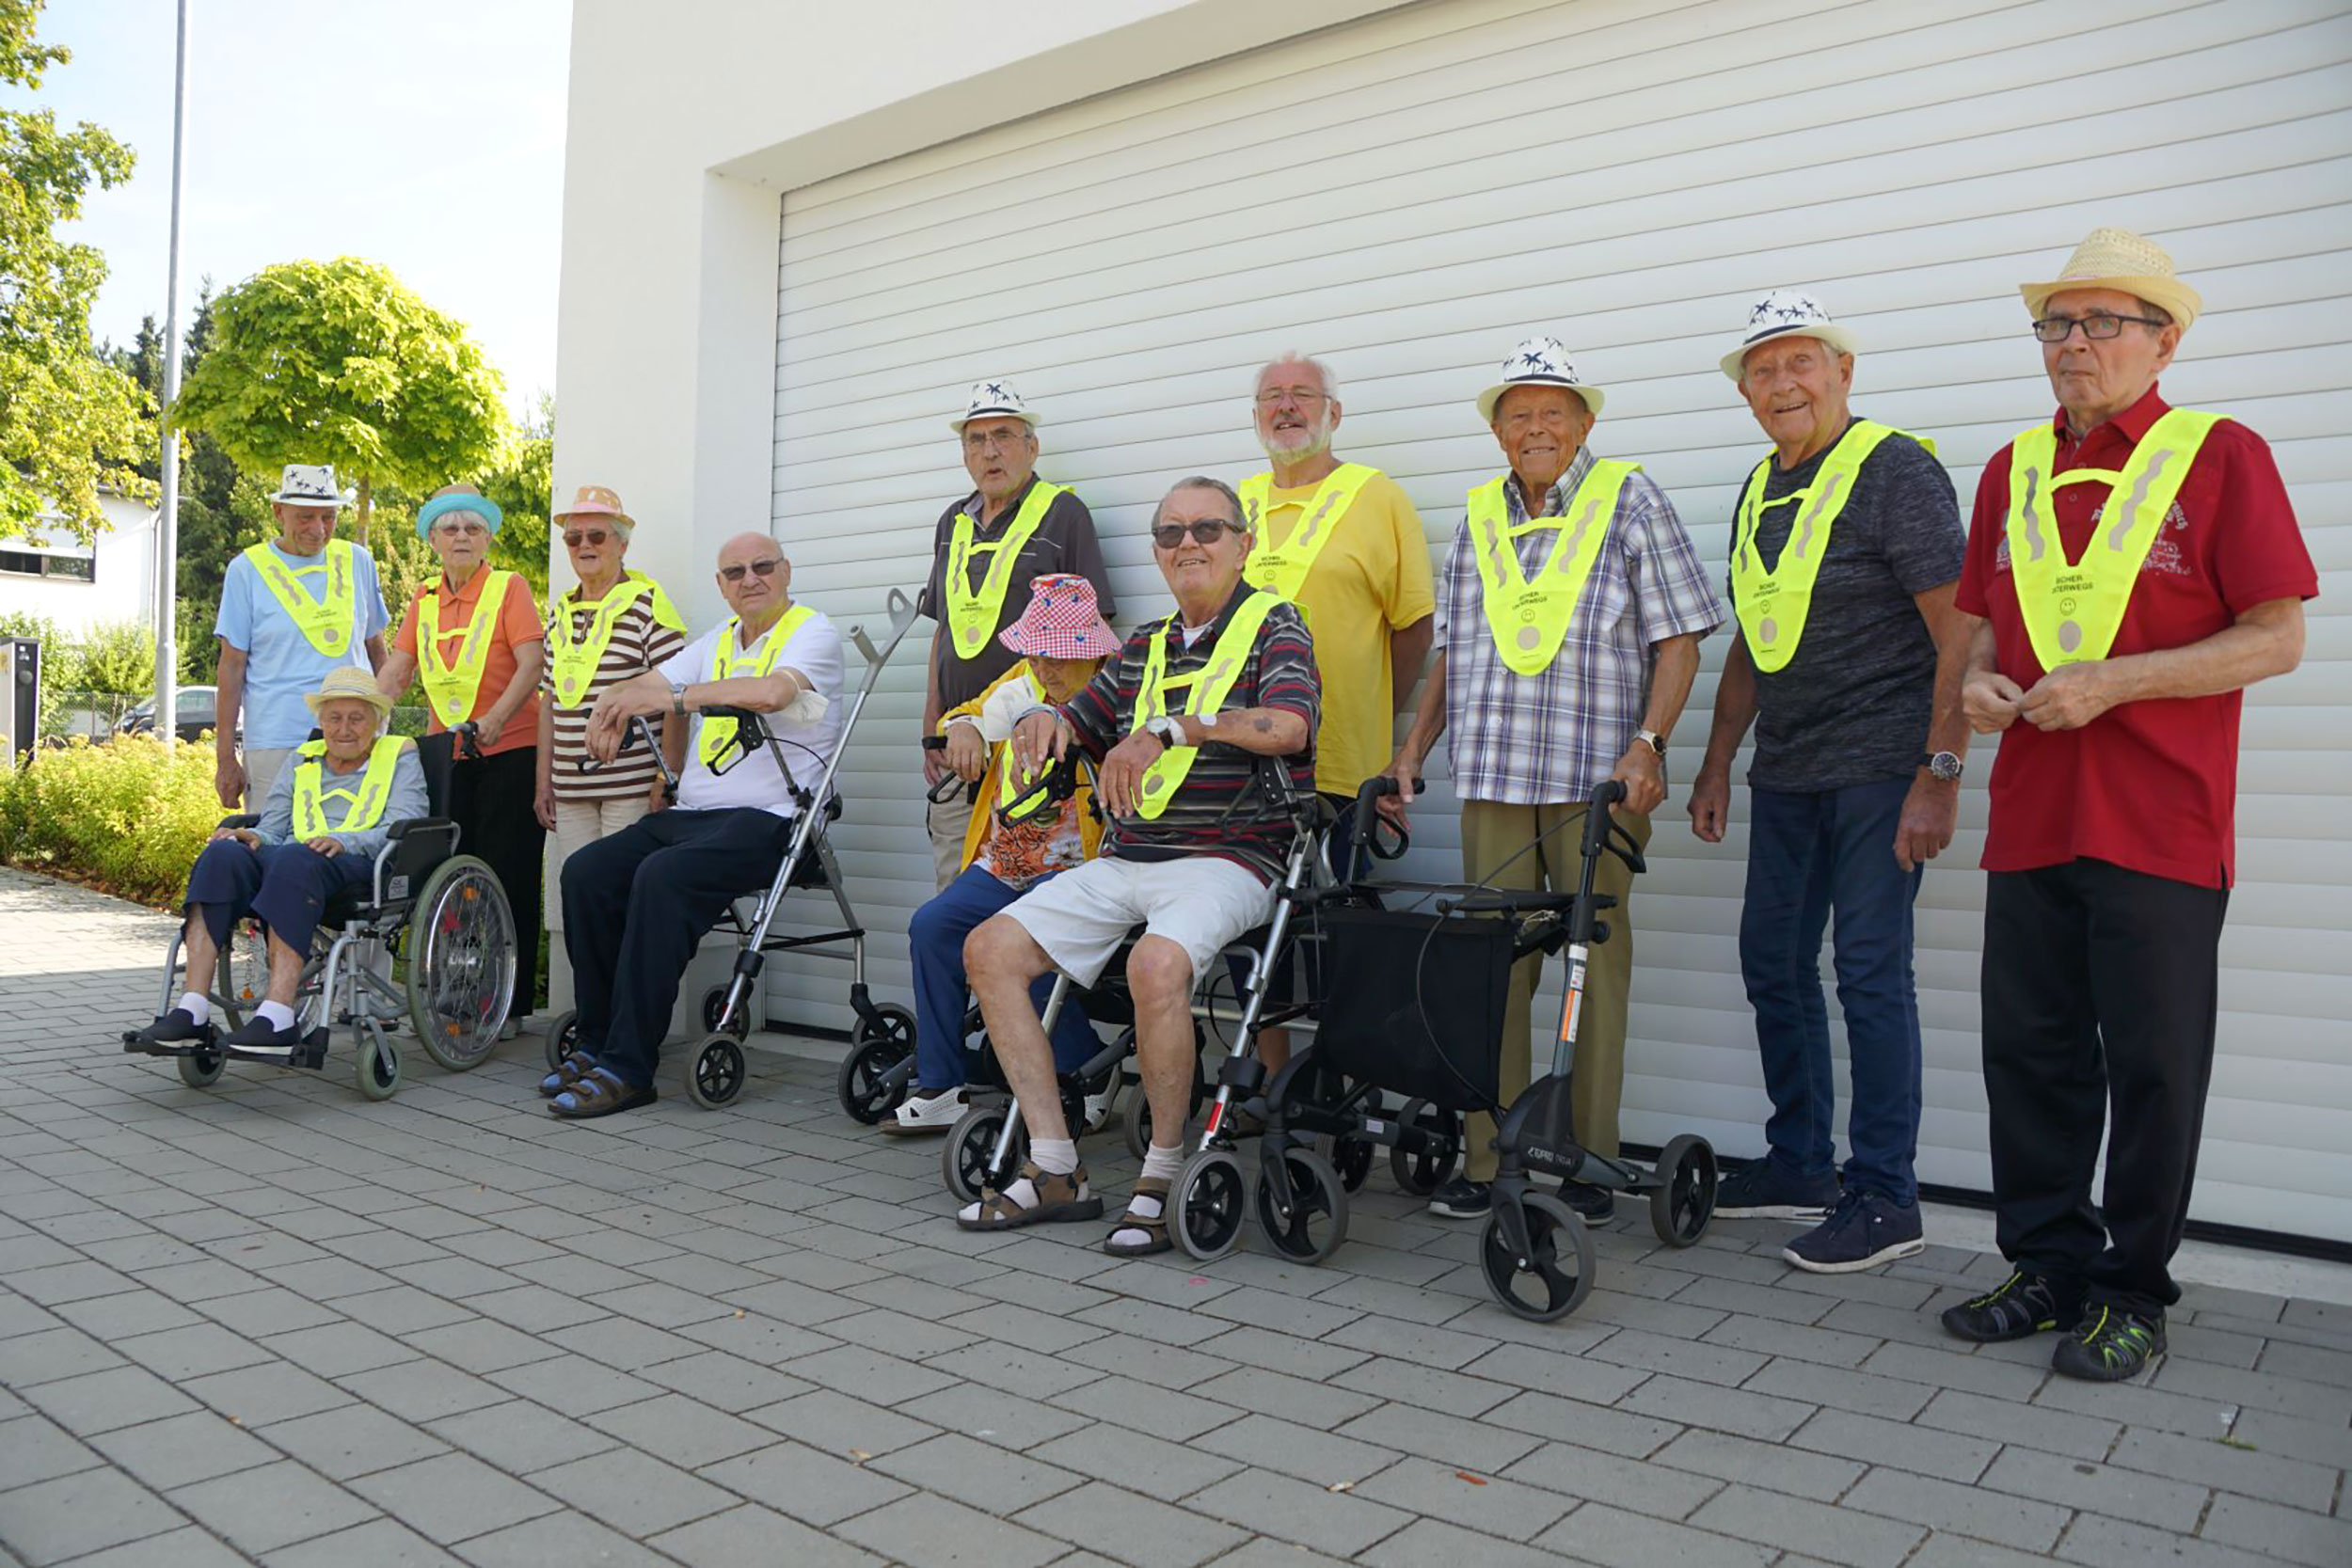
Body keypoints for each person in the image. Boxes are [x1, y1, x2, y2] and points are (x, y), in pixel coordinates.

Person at [1938, 229, 2313, 1381]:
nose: (2073, 345)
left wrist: (2119, 681)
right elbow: (1987, 621)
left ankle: (2134, 1288)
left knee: (2153, 1065)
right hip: (2032, 816)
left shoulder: (2221, 454)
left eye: (2102, 322)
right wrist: (1977, 683)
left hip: (2161, 819)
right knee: (2030, 1058)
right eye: (2057, 324)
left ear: (2165, 339)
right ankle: (2046, 1264)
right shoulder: (2011, 468)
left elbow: (2278, 636)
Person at [1384, 337, 1722, 1225]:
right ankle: (1488, 1155)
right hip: (1494, 775)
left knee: (1590, 962)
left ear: (1585, 422)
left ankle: (1586, 1156)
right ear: (1498, 433)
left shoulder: (1630, 498)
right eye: (1518, 415)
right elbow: (1453, 652)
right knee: (1490, 971)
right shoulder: (1476, 517)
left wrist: (1650, 742)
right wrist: (1412, 748)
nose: (1535, 428)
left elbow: (1680, 635)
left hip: (1594, 784)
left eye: (1553, 412)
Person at [954, 478, 1318, 1254]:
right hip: (1131, 856)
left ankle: (1161, 1169)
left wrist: (1172, 726)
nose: (1189, 543)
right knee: (988, 949)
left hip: (1232, 856)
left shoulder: (1276, 623)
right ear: (1156, 553)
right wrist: (1046, 719)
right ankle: (1054, 1162)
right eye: (1171, 533)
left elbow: (1288, 726)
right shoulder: (1144, 644)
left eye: (1208, 528)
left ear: (1242, 543)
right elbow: (1079, 717)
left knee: (1157, 966)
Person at [1685, 292, 1972, 1274]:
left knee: (1867, 972)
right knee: (1771, 961)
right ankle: (1800, 1160)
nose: (1780, 384)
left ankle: (1887, 1193)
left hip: (1883, 767)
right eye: (1760, 371)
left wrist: (1941, 772)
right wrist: (1719, 758)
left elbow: (1958, 630)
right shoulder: (1760, 487)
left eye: (1799, 362)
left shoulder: (1895, 470)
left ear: (1842, 371)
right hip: (1791, 771)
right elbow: (1750, 643)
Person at [543, 531, 846, 1118]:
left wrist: (675, 699)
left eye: (762, 567)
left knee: (662, 877)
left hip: (773, 819)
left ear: (786, 571)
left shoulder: (812, 631)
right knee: (586, 871)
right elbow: (653, 684)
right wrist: (613, 704)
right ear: (720, 585)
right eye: (734, 572)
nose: (749, 579)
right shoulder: (719, 640)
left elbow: (769, 692)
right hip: (696, 815)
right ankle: (599, 1039)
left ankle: (630, 1067)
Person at [1235, 353, 1434, 1077]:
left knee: (1339, 934)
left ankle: (1338, 1093)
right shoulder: (1238, 504)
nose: (1286, 408)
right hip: (1242, 766)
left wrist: (1377, 726)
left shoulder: (1376, 497)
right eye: (1271, 398)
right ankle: (1263, 1080)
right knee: (1252, 932)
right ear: (1255, 416)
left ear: (1334, 412)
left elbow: (1414, 628)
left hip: (1344, 766)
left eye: (1302, 396)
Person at [889, 575, 1119, 1134]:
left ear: (1090, 654)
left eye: (1061, 657)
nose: (1047, 669)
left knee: (1022, 938)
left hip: (1077, 870)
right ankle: (942, 1085)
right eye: (1038, 655)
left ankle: (1085, 1068)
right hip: (1004, 861)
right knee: (934, 925)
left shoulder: (1113, 694)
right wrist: (962, 726)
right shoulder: (1021, 680)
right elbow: (969, 711)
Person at [130, 668, 427, 1054]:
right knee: (221, 853)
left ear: (376, 722)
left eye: (357, 718)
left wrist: (342, 840)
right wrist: (253, 836)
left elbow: (406, 825)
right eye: (334, 718)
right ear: (321, 721)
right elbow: (273, 827)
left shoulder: (400, 756)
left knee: (292, 858)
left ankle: (278, 1017)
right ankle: (193, 1009)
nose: (344, 729)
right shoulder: (303, 758)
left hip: (360, 866)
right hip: (292, 864)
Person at [919, 380, 1115, 892]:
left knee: (1032, 903)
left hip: (1034, 752)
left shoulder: (1063, 513)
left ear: (1032, 446)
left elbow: (1095, 632)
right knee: (955, 891)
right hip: (962, 745)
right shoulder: (951, 522)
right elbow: (944, 628)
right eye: (976, 439)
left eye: (1003, 435)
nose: (990, 451)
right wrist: (933, 729)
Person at [376, 484, 548, 1033]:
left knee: (507, 875)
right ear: (432, 539)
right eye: (450, 529)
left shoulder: (508, 587)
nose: (461, 538)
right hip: (446, 756)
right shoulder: (423, 598)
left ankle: (510, 1007)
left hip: (510, 750)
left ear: (488, 536)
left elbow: (531, 662)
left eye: (473, 528)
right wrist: (355, 723)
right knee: (447, 876)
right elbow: (398, 671)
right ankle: (457, 993)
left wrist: (495, 718)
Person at [532, 484, 691, 958]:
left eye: (597, 536)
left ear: (622, 544)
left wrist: (670, 773)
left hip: (631, 787)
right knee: (579, 904)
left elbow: (676, 696)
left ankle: (623, 1014)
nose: (584, 546)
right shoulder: (560, 611)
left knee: (620, 900)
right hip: (571, 791)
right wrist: (544, 783)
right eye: (574, 538)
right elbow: (550, 703)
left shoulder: (647, 604)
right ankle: (591, 1012)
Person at [212, 464, 390, 810]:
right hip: (276, 738)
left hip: (355, 738)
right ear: (278, 512)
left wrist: (382, 724)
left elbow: (378, 652)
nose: (318, 530)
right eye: (305, 517)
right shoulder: (246, 570)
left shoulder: (359, 561)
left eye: (328, 517)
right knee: (272, 845)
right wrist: (225, 759)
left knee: (348, 848)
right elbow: (231, 669)